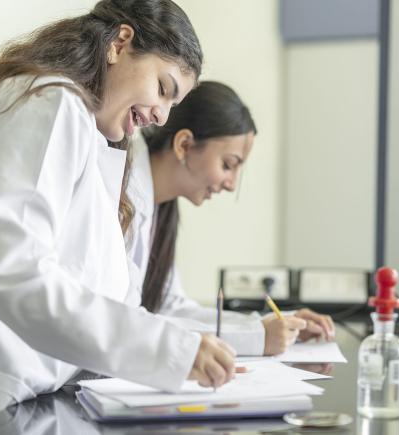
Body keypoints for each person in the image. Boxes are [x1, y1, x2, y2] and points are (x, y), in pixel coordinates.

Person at [0, 1, 236, 428]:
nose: (161, 116)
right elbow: (11, 270)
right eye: (163, 88)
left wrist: (183, 347)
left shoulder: (93, 140)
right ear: (120, 43)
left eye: (173, 103)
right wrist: (168, 349)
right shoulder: (51, 101)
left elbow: (113, 301)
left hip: (36, 400)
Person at [126, 81, 336, 357]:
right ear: (185, 145)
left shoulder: (162, 209)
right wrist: (255, 337)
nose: (231, 185)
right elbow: (125, 321)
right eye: (228, 165)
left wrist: (277, 323)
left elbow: (169, 306)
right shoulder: (121, 194)